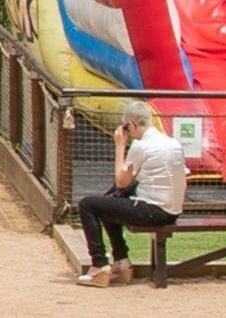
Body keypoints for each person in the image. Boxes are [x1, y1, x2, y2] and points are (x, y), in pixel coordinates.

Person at [74, 104, 200, 286]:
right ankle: (122, 262)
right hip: (172, 211)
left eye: (127, 128)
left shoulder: (141, 146)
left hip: (153, 210)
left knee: (88, 204)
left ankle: (99, 265)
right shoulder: (172, 143)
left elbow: (121, 181)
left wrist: (120, 146)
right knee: (110, 203)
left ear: (131, 125)